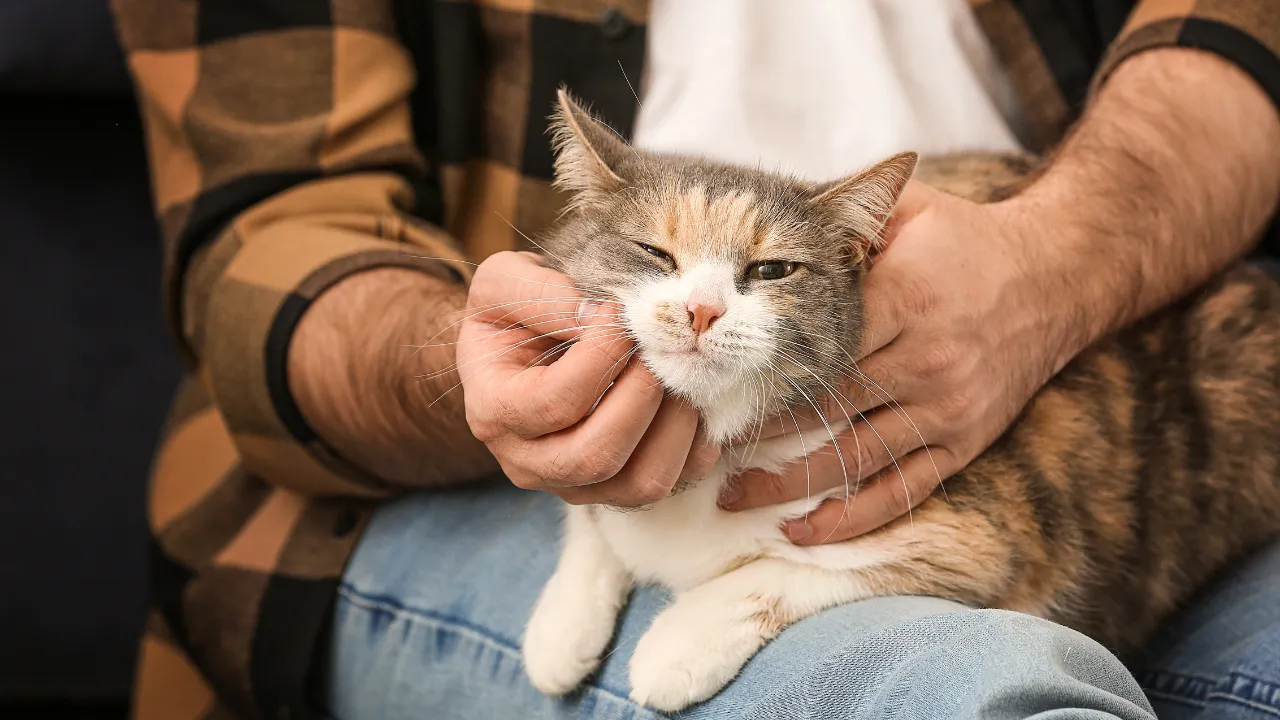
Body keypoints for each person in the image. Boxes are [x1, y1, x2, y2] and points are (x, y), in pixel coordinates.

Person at [111, 0, 1280, 718]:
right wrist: (468, 369)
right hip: (420, 483)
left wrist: (1052, 267)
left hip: (1079, 358)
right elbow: (267, 238)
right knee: (964, 697)